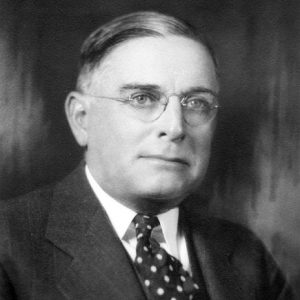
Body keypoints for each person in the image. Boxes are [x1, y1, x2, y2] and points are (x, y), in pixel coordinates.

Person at [0, 11, 294, 300]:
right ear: (81, 118)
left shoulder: (246, 254)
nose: (175, 127)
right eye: (142, 99)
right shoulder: (8, 243)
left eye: (197, 103)